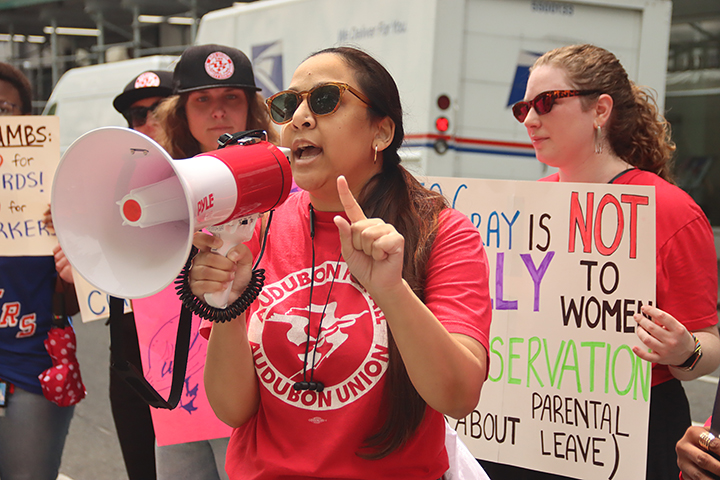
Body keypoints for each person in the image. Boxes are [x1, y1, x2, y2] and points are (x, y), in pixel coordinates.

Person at [187, 46, 491, 479]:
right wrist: (228, 310)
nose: (299, 118)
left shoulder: (443, 232)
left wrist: (392, 291)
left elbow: (459, 396)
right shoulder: (258, 228)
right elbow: (231, 410)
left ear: (381, 132)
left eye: (325, 99)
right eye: (287, 105)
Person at [481, 43, 720, 480]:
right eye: (523, 108)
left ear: (601, 110)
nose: (530, 119)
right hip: (527, 428)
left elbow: (708, 343)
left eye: (546, 102)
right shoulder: (525, 206)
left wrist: (686, 351)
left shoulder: (671, 210)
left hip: (629, 436)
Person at [142, 44, 280, 480]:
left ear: (252, 109)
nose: (218, 111)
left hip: (257, 385)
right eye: (202, 99)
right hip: (177, 390)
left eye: (231, 98)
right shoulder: (155, 191)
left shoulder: (286, 187)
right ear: (180, 112)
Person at [0, 62, 80, 480]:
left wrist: (69, 242)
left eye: (4, 109)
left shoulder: (53, 192)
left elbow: (79, 301)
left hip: (32, 369)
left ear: (25, 120)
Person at [107, 69, 174, 480]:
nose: (148, 121)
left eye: (160, 109)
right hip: (130, 354)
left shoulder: (211, 175)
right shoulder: (110, 184)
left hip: (191, 354)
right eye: (138, 114)